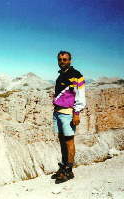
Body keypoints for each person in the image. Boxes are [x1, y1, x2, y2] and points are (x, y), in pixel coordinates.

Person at [51, 51, 86, 183]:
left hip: (67, 114)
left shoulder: (76, 75)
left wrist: (76, 113)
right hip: (58, 112)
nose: (62, 62)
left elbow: (80, 96)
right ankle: (64, 166)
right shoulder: (60, 75)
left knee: (69, 141)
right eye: (60, 59)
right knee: (61, 140)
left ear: (70, 60)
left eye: (65, 59)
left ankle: (69, 171)